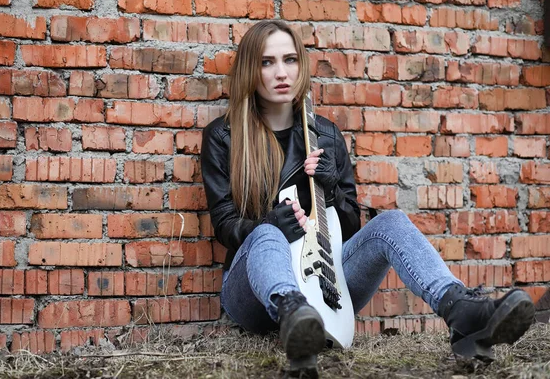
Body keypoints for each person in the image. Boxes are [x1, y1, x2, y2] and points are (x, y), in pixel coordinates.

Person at [200, 20, 535, 377]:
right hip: (252, 292)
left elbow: (348, 227)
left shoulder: (326, 135)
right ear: (251, 69)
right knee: (267, 235)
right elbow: (225, 224)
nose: (281, 72)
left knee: (389, 222)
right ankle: (294, 315)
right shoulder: (224, 135)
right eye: (267, 62)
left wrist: (329, 188)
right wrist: (266, 224)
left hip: (324, 282)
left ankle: (461, 310)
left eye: (290, 59)